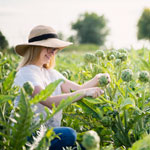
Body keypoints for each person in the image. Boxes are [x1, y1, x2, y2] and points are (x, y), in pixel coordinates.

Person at [13, 25, 111, 150]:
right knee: (68, 135)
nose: (52, 52)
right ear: (35, 48)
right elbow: (48, 101)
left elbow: (76, 90)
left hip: (47, 133)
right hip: (26, 137)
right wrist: (86, 92)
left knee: (86, 145)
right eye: (48, 47)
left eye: (54, 49)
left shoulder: (51, 73)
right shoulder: (26, 73)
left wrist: (97, 79)